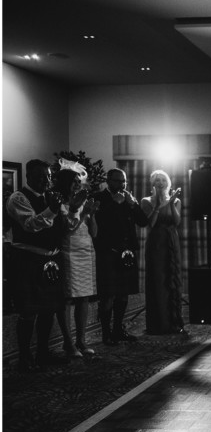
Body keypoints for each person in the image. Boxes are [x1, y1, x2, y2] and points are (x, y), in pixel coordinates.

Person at [6, 159, 68, 371]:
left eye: (49, 176)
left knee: (49, 309)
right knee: (29, 310)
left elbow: (64, 227)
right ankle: (25, 357)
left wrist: (72, 208)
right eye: (41, 176)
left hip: (51, 260)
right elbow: (31, 225)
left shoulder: (52, 197)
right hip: (27, 261)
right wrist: (51, 210)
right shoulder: (18, 198)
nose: (46, 180)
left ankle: (43, 352)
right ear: (28, 177)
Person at [93, 168, 147, 345]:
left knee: (123, 294)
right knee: (108, 294)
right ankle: (106, 333)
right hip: (108, 253)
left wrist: (133, 205)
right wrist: (115, 204)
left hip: (127, 253)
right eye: (117, 181)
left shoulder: (128, 198)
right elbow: (98, 223)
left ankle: (118, 329)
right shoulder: (99, 198)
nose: (121, 185)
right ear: (108, 181)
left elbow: (143, 221)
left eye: (124, 181)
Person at [53, 164, 99, 358]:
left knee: (84, 297)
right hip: (68, 250)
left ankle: (82, 339)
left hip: (86, 249)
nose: (76, 185)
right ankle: (68, 342)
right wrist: (82, 213)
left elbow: (94, 233)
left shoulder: (81, 201)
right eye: (73, 182)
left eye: (78, 182)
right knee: (67, 296)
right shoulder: (58, 202)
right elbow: (66, 229)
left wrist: (91, 213)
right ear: (65, 183)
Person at [140, 169, 186, 335]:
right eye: (157, 180)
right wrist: (159, 206)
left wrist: (172, 203)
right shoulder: (146, 201)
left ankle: (174, 322)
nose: (160, 183)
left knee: (171, 278)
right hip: (156, 242)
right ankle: (158, 324)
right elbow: (149, 224)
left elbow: (177, 221)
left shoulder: (176, 200)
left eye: (163, 180)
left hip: (171, 240)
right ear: (152, 183)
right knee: (158, 280)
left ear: (168, 183)